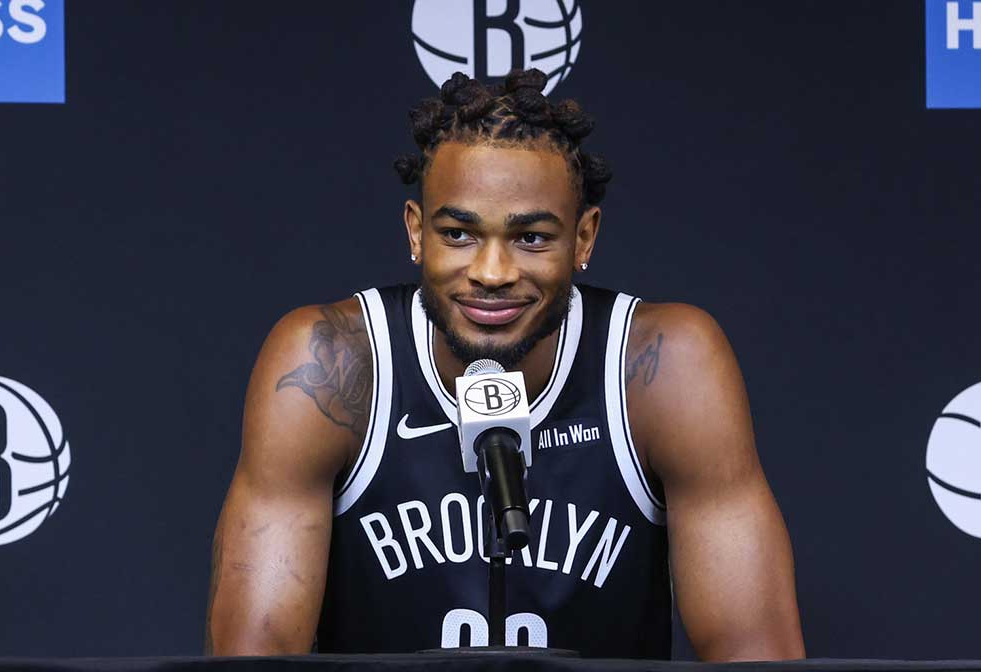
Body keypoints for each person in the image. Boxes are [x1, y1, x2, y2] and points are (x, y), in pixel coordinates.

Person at [205, 69, 804, 660]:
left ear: (585, 237)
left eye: (533, 238)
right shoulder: (331, 360)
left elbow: (753, 653)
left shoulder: (664, 365)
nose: (492, 273)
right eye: (459, 234)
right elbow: (257, 654)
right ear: (417, 233)